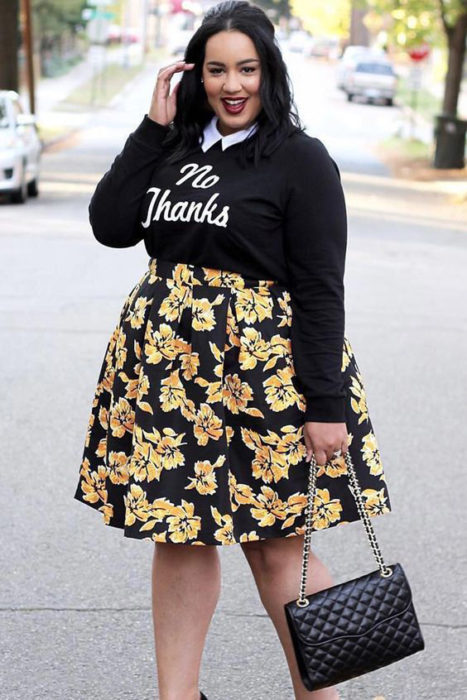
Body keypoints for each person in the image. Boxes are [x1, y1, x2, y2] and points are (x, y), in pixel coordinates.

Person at [74, 2, 392, 698]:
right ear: (195, 76)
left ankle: (321, 697)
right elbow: (109, 225)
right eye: (216, 69)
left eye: (245, 68)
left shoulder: (299, 160)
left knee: (278, 548)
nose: (231, 83)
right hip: (168, 379)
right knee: (180, 538)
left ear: (268, 73)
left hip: (264, 378)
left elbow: (318, 287)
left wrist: (324, 405)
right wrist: (152, 128)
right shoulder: (173, 146)